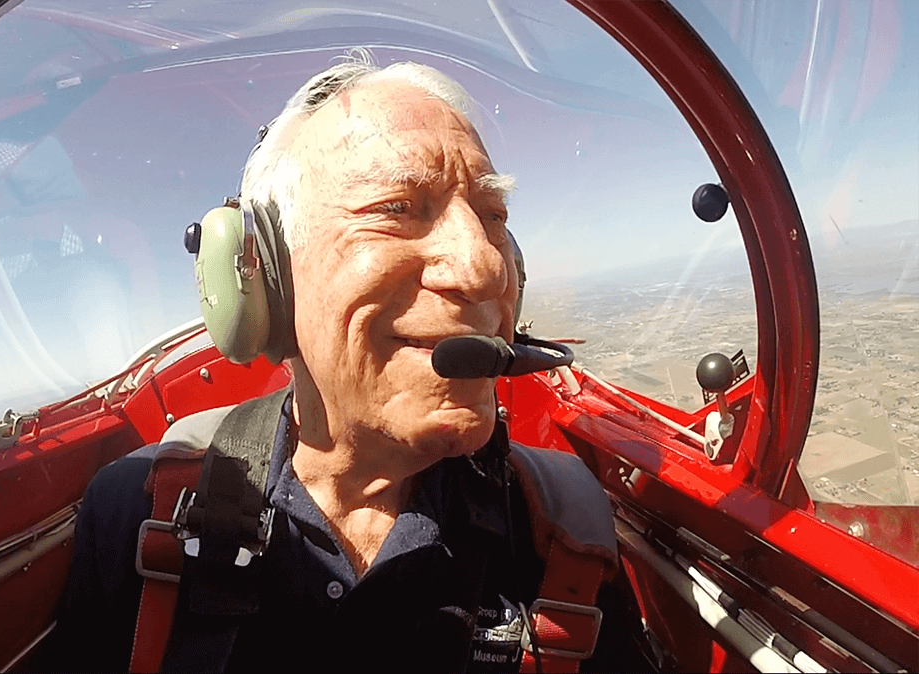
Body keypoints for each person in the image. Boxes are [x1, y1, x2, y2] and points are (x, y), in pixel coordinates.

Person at [44, 52, 652, 673]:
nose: (486, 267)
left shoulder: (564, 530)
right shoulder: (140, 512)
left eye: (493, 217)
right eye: (397, 209)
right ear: (265, 283)